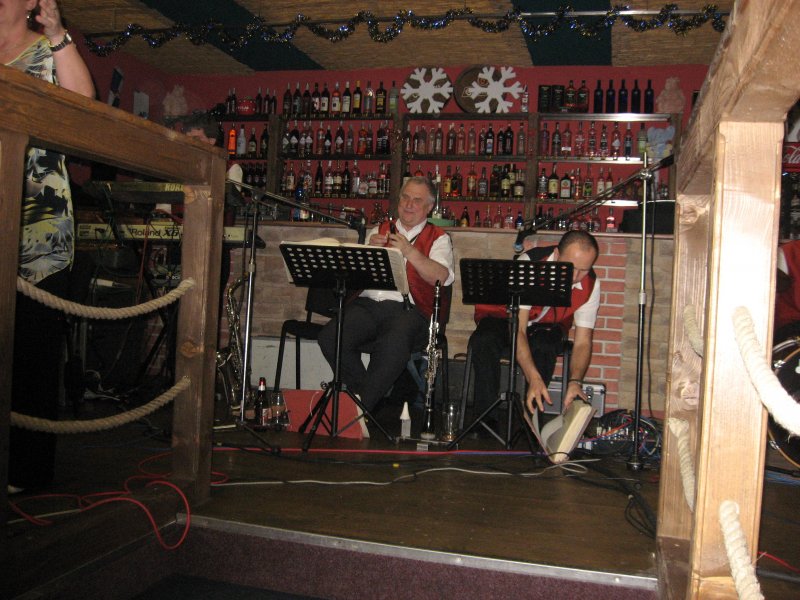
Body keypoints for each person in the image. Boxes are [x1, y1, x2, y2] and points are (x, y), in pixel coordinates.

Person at [2, 0, 95, 492]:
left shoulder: (45, 50)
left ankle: (26, 472)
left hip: (36, 227)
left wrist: (58, 33)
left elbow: (84, 107)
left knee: (32, 353)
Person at [317, 176, 455, 413]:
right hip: (368, 305)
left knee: (393, 343)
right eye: (405, 198)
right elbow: (354, 277)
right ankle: (366, 401)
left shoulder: (439, 237)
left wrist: (409, 250)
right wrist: (367, 252)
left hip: (410, 310)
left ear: (429, 207)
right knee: (330, 337)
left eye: (417, 200)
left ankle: (359, 410)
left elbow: (441, 277)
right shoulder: (378, 230)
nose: (409, 204)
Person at [469, 230, 601, 433]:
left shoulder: (591, 284)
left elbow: (583, 341)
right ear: (557, 254)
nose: (575, 277)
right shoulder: (529, 264)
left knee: (545, 344)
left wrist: (575, 381)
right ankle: (485, 420)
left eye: (583, 270)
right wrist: (533, 377)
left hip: (546, 326)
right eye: (571, 268)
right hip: (506, 318)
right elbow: (519, 329)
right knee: (484, 339)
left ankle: (530, 422)